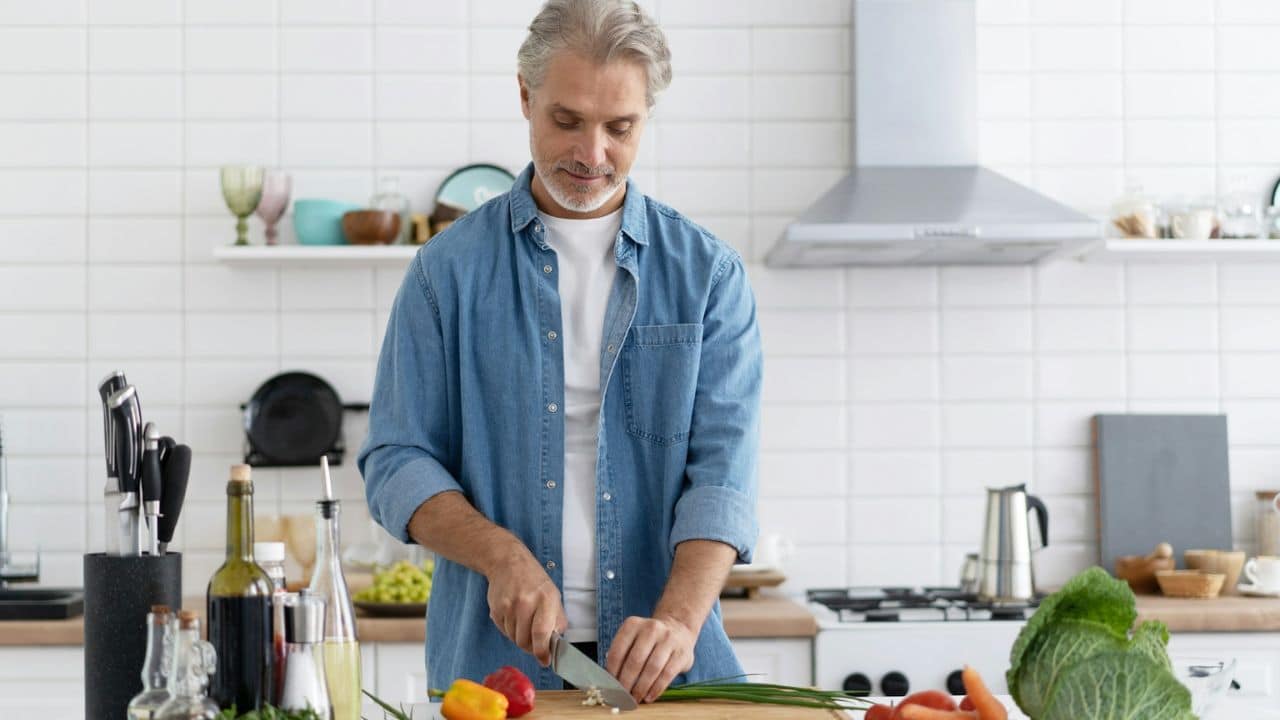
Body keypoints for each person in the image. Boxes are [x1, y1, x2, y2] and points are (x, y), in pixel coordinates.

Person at [358, 0, 761, 704]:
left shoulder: (708, 275)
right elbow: (396, 459)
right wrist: (501, 555)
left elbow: (722, 477)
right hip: (495, 671)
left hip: (670, 676)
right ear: (524, 95)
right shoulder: (444, 273)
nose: (591, 154)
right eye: (567, 120)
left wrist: (676, 622)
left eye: (620, 127)